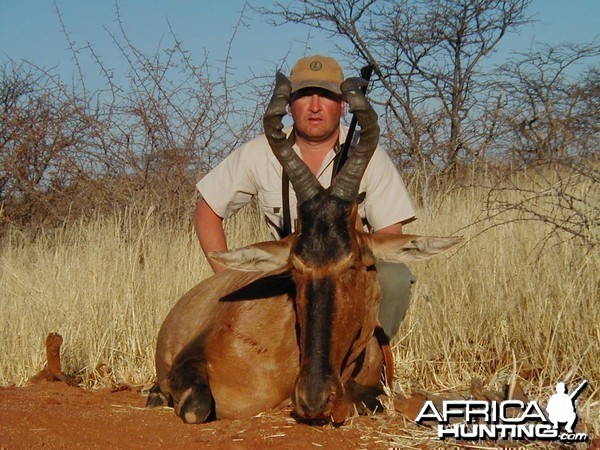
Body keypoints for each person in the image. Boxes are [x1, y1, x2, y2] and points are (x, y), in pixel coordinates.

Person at [194, 55, 416, 339]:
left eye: (325, 95)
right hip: (291, 269)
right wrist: (226, 278)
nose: (314, 106)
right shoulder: (259, 152)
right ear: (289, 105)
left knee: (395, 278)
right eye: (303, 96)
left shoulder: (367, 153)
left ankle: (373, 363)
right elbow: (207, 211)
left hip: (348, 270)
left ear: (343, 105)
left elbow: (389, 234)